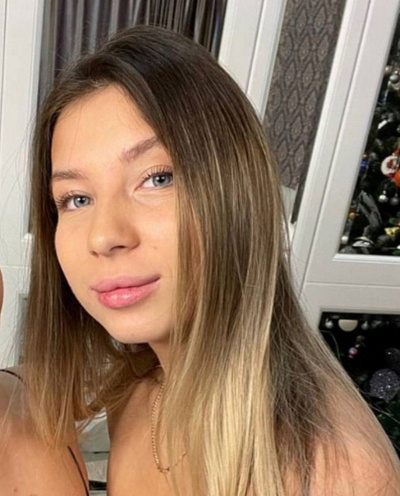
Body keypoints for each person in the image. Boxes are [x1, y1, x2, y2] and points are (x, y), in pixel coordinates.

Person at [1, 25, 400, 495]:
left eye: (157, 178)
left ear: (236, 191)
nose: (105, 236)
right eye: (76, 199)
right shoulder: (136, 389)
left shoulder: (336, 475)